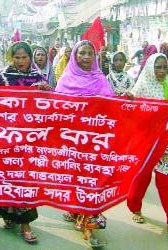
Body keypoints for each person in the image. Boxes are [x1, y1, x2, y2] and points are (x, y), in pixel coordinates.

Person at [55, 40, 113, 248]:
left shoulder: (101, 79)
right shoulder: (65, 80)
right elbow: (57, 111)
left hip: (95, 142)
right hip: (72, 143)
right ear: (74, 56)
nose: (86, 57)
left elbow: (112, 108)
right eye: (82, 53)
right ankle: (75, 210)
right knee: (75, 180)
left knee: (93, 182)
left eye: (90, 53)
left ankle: (89, 227)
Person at [0, 41, 49, 244]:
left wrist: (45, 91)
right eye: (17, 57)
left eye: (24, 57)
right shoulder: (2, 77)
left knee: (25, 179)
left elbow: (47, 107)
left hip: (29, 138)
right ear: (11, 57)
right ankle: (8, 215)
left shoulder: (38, 77)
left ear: (30, 58)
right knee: (7, 176)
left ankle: (25, 224)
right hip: (7, 136)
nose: (21, 61)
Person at [126, 53, 168, 236]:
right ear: (151, 67)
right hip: (145, 140)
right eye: (158, 67)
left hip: (165, 142)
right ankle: (135, 207)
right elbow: (132, 103)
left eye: (164, 68)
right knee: (142, 176)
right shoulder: (142, 85)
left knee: (167, 179)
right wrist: (129, 97)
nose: (161, 71)